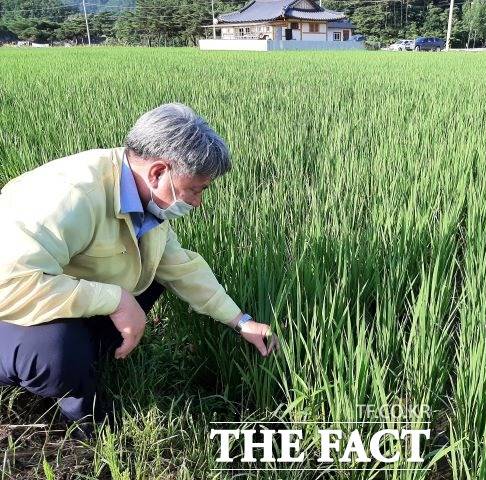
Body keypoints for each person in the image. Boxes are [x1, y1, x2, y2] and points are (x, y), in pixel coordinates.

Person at [0, 103, 280, 438]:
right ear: (158, 172)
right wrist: (115, 300)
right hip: (10, 304)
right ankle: (74, 395)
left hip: (58, 288)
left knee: (150, 275)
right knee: (58, 353)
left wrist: (242, 321)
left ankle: (89, 360)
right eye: (195, 189)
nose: (197, 202)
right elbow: (10, 283)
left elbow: (179, 266)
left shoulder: (143, 196)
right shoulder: (70, 196)